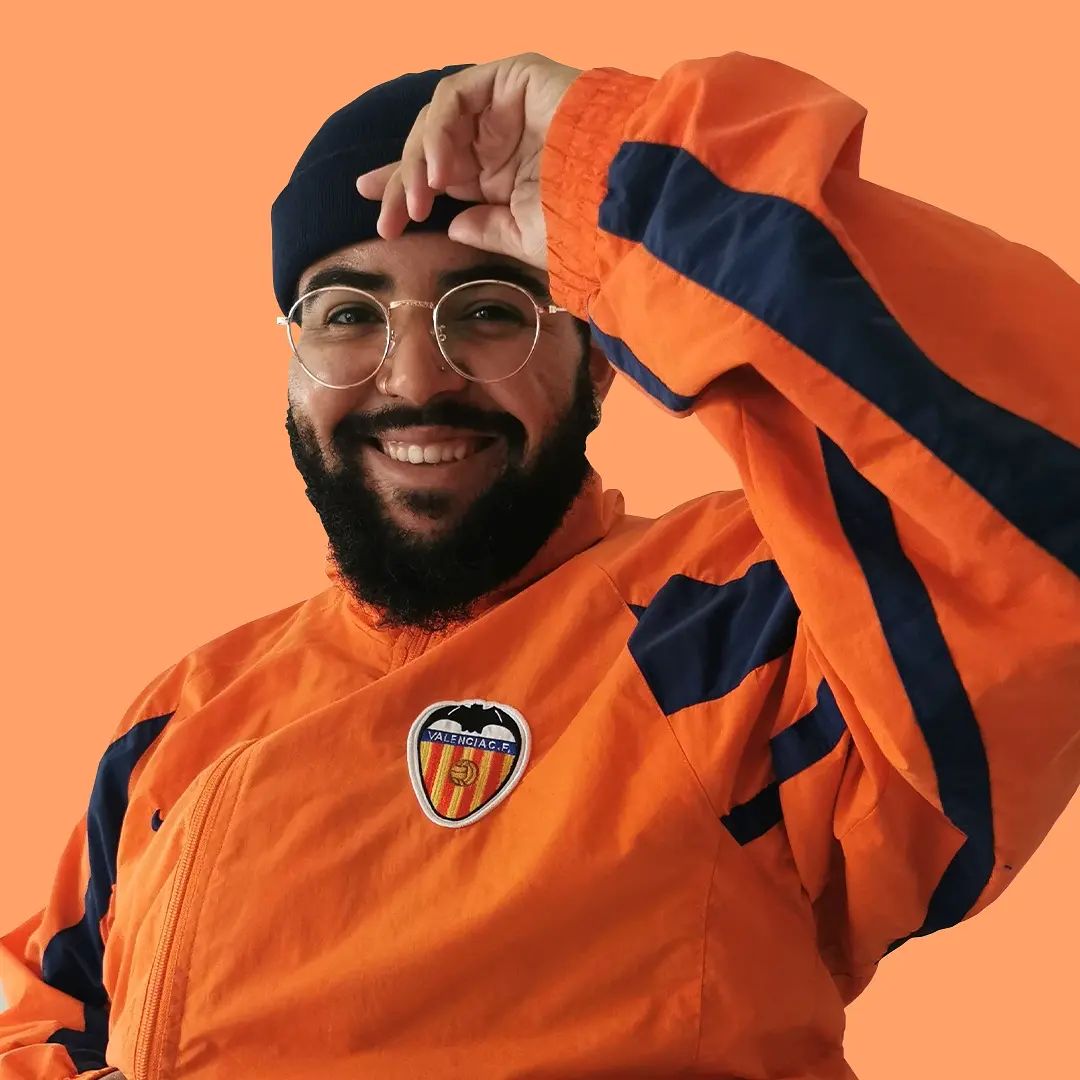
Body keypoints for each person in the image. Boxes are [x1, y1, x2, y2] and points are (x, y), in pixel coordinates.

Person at [0, 50, 1076, 1080]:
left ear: (600, 361)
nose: (417, 377)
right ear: (291, 364)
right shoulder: (184, 717)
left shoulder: (748, 630)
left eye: (488, 313)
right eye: (346, 314)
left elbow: (1038, 501)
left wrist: (612, 175)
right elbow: (52, 1011)